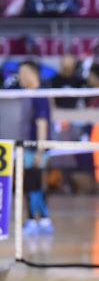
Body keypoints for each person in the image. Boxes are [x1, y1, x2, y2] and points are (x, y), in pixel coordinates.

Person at [18, 60, 54, 235]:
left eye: (23, 73)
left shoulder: (39, 95)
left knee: (33, 183)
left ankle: (35, 219)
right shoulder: (26, 94)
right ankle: (42, 219)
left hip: (36, 148)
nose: (20, 77)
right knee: (33, 183)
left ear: (33, 74)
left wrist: (40, 149)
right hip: (26, 147)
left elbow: (42, 124)